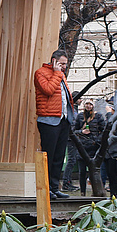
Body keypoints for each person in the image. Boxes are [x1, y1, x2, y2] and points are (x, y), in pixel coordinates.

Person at [34, 49, 77, 200]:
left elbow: (65, 97)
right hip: (49, 120)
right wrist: (58, 73)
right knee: (49, 156)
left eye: (66, 64)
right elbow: (48, 90)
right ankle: (46, 189)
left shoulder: (60, 75)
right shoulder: (41, 73)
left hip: (62, 120)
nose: (65, 66)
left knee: (59, 156)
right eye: (62, 63)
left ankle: (54, 188)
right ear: (54, 61)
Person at [74, 100, 104, 196]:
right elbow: (73, 130)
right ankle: (83, 192)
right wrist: (81, 132)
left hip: (93, 147)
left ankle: (96, 191)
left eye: (90, 104)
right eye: (87, 104)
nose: (88, 106)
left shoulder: (98, 116)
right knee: (82, 172)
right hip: (82, 147)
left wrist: (97, 140)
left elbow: (103, 130)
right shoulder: (79, 116)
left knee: (94, 171)